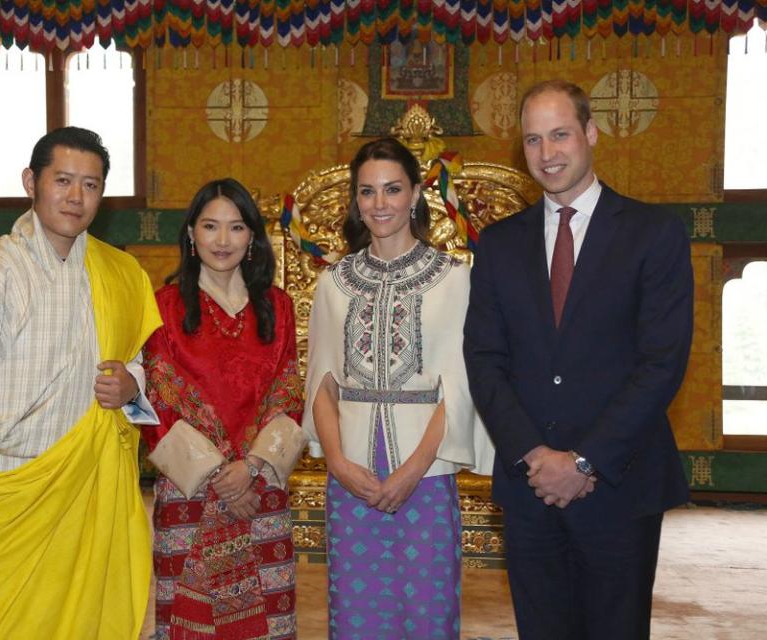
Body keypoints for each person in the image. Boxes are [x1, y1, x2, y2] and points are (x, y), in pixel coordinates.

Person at [463, 80, 694, 640]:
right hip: (529, 485)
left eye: (560, 134)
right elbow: (484, 359)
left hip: (620, 483)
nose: (548, 154)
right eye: (534, 140)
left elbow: (661, 363)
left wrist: (584, 462)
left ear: (590, 133)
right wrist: (536, 455)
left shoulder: (652, 233)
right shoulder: (497, 245)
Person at [0, 127, 161, 639]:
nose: (77, 197)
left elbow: (142, 373)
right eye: (64, 180)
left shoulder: (121, 273)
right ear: (32, 181)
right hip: (5, 495)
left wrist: (132, 389)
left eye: (91, 185)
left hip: (88, 499)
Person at [302, 137, 493, 640]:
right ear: (355, 201)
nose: (380, 203)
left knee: (427, 612)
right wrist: (339, 464)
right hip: (353, 477)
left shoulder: (455, 279)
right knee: (358, 610)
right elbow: (320, 384)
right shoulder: (334, 282)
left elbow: (461, 387)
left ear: (414, 195)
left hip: (425, 473)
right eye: (367, 192)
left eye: (392, 189)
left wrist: (412, 471)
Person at [142, 178, 308, 639]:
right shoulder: (163, 307)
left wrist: (251, 466)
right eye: (210, 226)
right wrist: (221, 477)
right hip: (189, 492)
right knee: (188, 624)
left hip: (260, 491)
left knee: (268, 623)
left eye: (236, 228)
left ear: (252, 237)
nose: (222, 240)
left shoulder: (278, 306)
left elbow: (288, 393)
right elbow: (158, 403)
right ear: (191, 234)